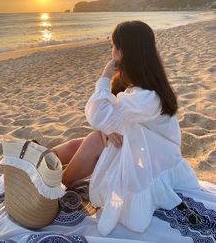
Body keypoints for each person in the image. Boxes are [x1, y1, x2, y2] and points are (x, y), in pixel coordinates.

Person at [53, 20, 200, 236]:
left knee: (94, 140)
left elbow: (98, 114)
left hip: (152, 162)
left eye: (113, 46)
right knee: (85, 141)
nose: (111, 51)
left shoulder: (147, 97)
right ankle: (40, 160)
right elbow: (110, 120)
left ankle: (58, 185)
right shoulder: (145, 87)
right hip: (144, 149)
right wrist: (106, 129)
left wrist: (104, 77)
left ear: (124, 52)